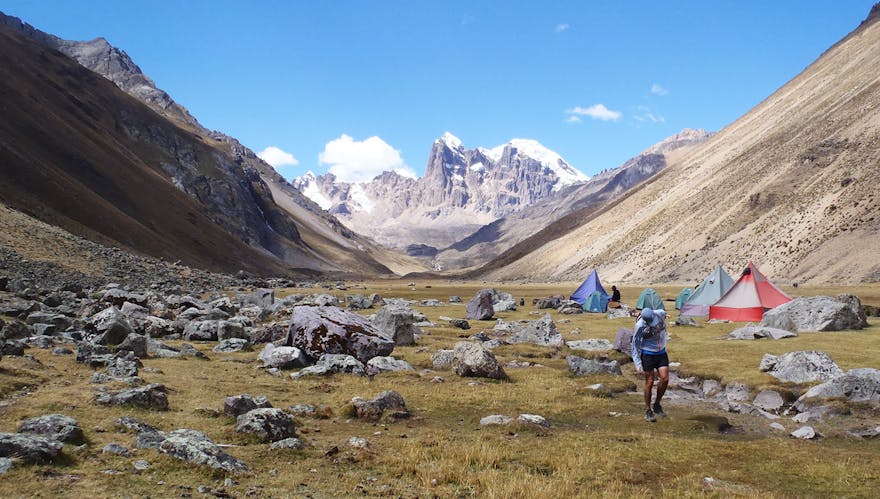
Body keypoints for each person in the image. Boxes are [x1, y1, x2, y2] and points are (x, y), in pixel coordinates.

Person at [631, 308, 669, 422]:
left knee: (665, 379)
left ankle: (657, 404)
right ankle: (648, 410)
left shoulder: (660, 314)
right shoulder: (639, 325)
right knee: (650, 381)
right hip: (648, 354)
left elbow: (665, 313)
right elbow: (634, 345)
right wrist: (638, 364)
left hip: (661, 352)